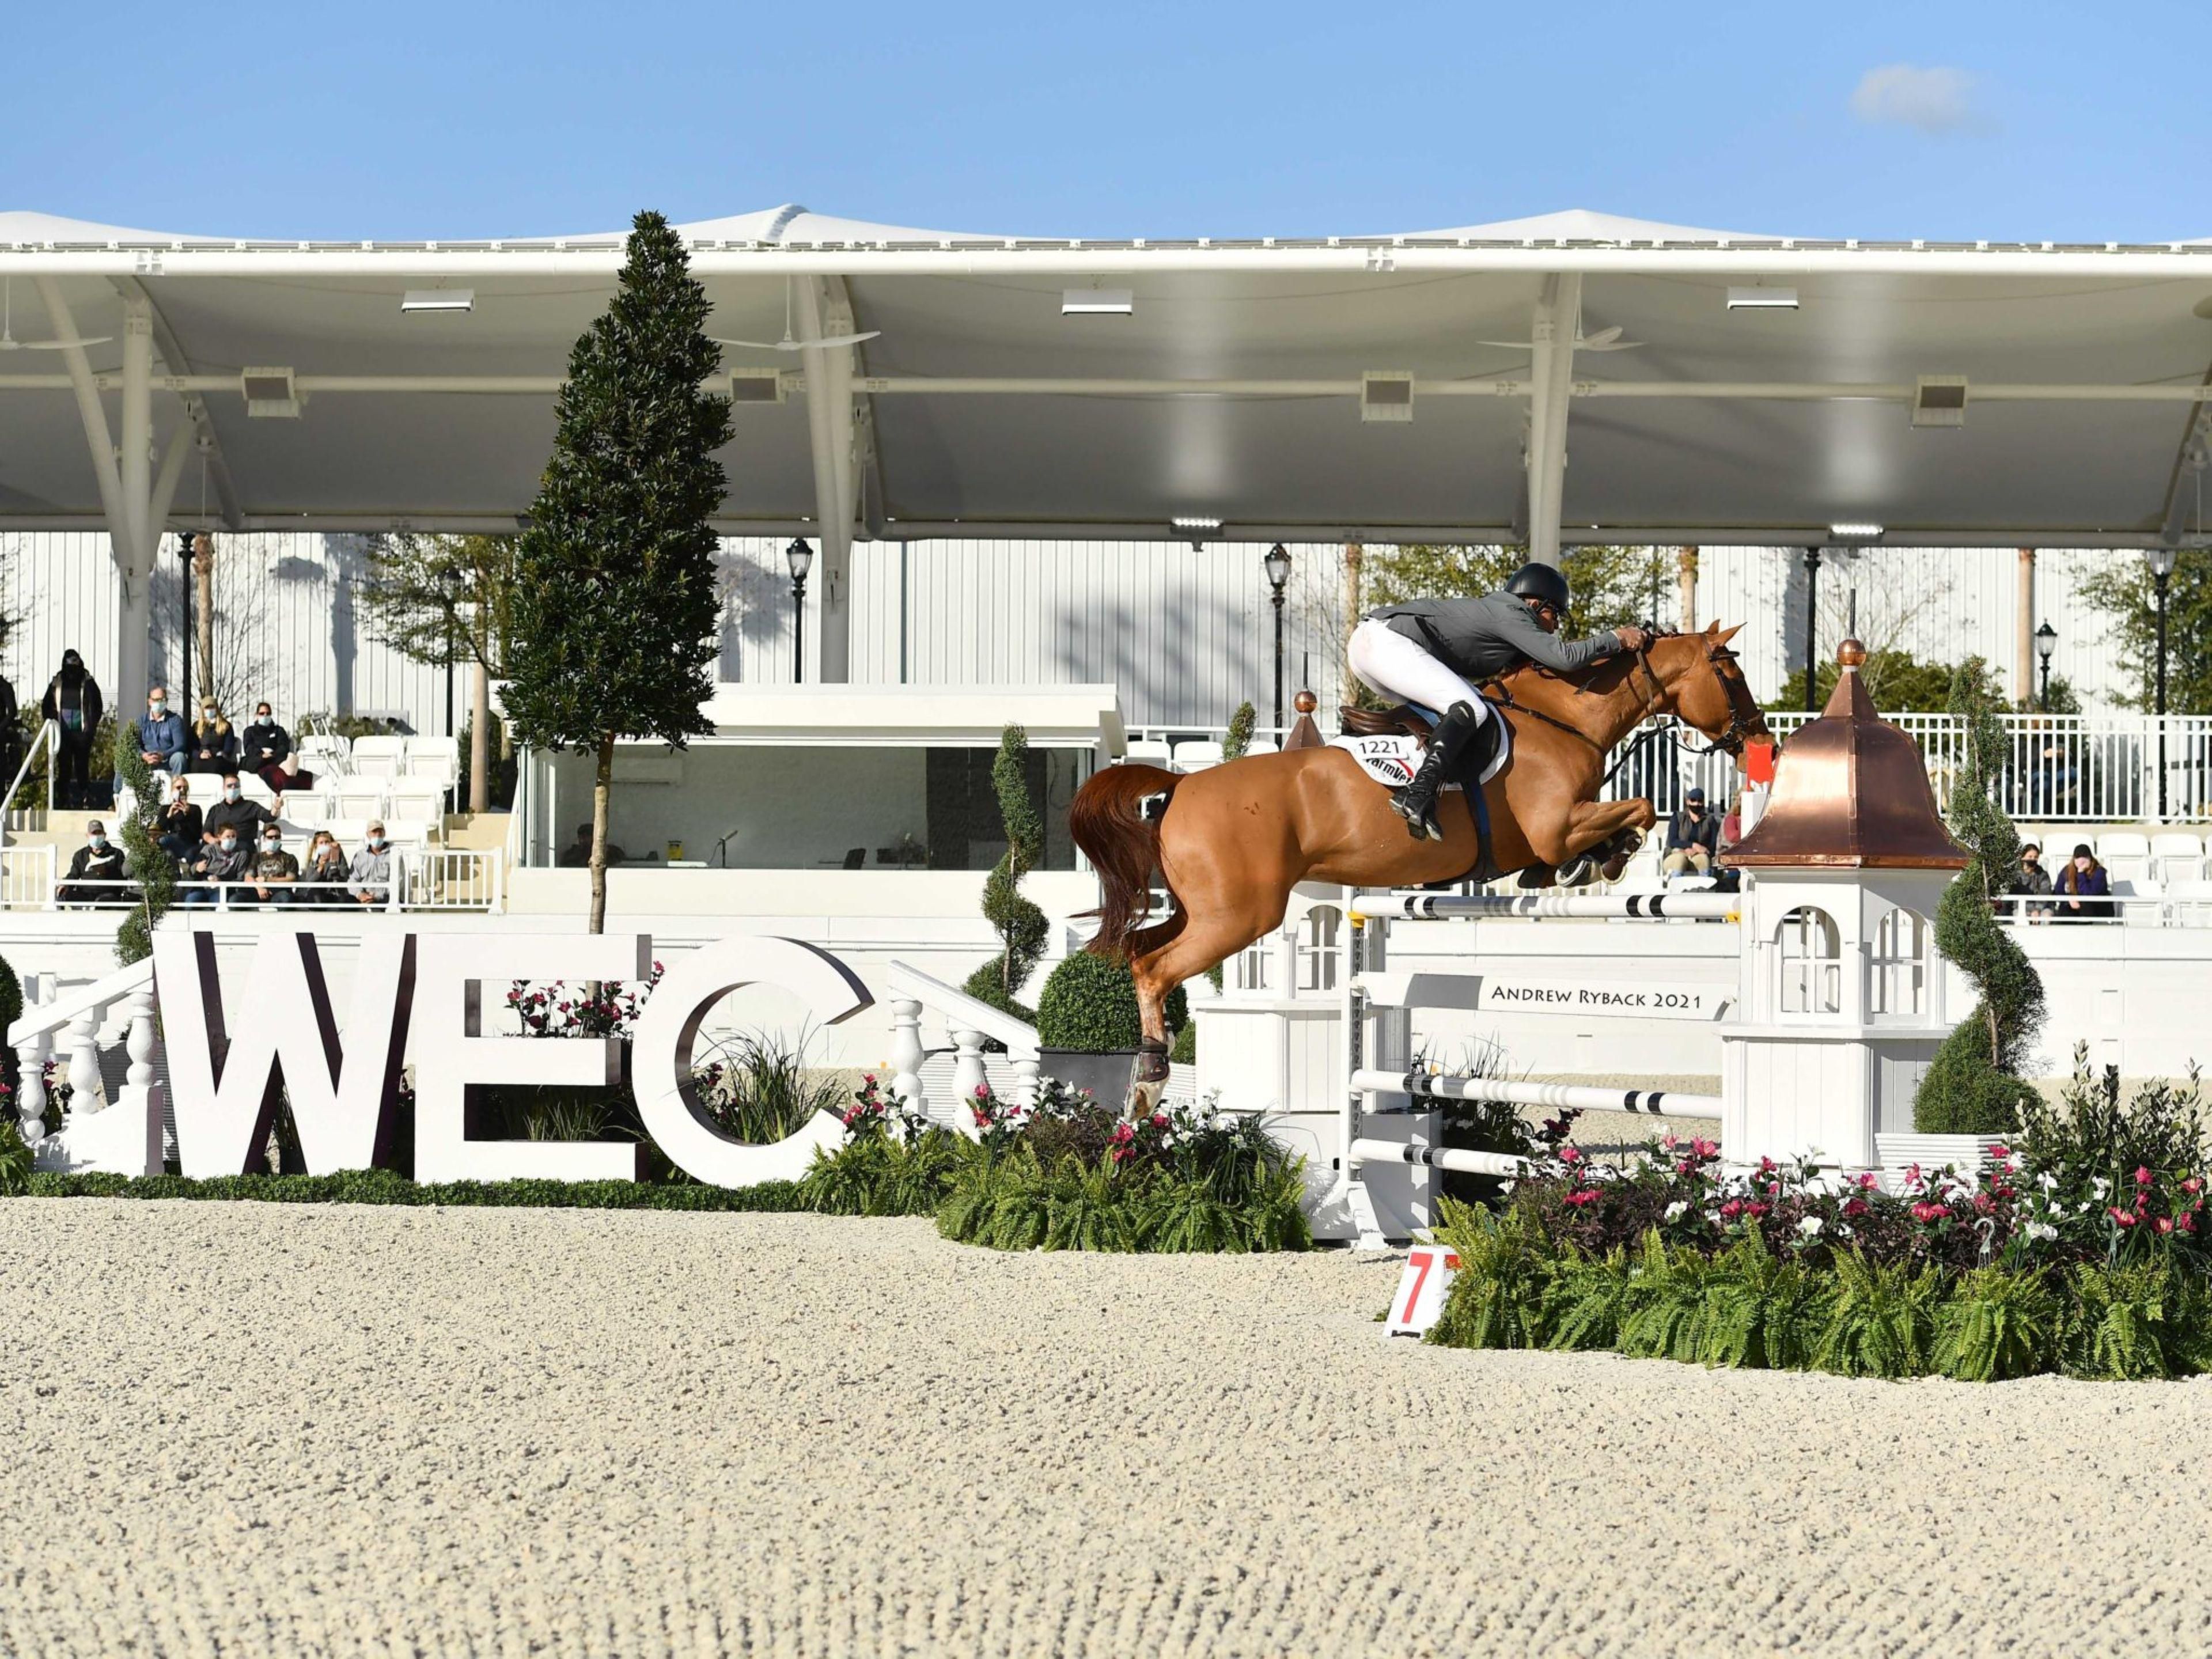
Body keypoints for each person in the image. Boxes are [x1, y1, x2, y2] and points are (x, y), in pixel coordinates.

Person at [1349, 563, 1650, 840]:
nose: (1556, 625)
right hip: (1386, 642)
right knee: (1471, 708)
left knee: (1469, 708)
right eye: (1554, 614)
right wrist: (1617, 638)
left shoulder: (1507, 618)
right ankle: (1417, 795)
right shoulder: (1512, 612)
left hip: (1374, 647)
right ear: (1535, 604)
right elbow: (1565, 658)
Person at [39, 649, 103, 809]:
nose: (72, 668)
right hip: (62, 731)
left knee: (82, 766)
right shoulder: (57, 682)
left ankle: (85, 797)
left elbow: (97, 705)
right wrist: (51, 724)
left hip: (82, 731)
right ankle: (63, 799)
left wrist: (91, 727)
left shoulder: (88, 682)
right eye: (69, 663)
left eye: (75, 663)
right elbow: (46, 706)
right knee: (64, 767)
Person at [127, 684, 188, 790]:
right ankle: (118, 797)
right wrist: (144, 756)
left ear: (166, 701)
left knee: (180, 758)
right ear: (150, 702)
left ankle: (176, 792)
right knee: (124, 758)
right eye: (156, 700)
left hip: (168, 759)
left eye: (162, 700)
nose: (159, 703)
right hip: (147, 760)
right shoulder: (141, 721)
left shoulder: (175, 720)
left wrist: (163, 755)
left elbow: (180, 744)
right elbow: (133, 744)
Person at [57, 820, 128, 907]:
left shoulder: (117, 854)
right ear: (88, 836)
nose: (97, 836)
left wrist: (107, 872)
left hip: (108, 893)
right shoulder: (80, 855)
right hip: (85, 893)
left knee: (105, 900)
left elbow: (122, 876)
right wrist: (65, 885)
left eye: (99, 833)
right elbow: (73, 875)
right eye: (94, 833)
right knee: (66, 895)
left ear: (105, 835)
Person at [182, 824, 251, 907]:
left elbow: (239, 879)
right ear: (220, 837)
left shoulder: (242, 854)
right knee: (191, 901)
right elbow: (192, 870)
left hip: (222, 890)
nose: (231, 839)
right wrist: (197, 868)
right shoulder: (209, 850)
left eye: (233, 836)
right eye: (228, 837)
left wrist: (221, 881)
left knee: (218, 903)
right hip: (203, 887)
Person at [201, 772, 275, 847]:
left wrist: (276, 807)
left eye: (236, 786)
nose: (233, 788)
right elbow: (206, 831)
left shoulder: (251, 806)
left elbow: (269, 817)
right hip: (219, 848)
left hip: (243, 849)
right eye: (229, 786)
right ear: (223, 789)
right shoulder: (215, 809)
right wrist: (211, 840)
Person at [1661, 787, 1721, 877]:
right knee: (1680, 860)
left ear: (1704, 802)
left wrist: (1698, 851)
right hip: (1676, 853)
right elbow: (1673, 841)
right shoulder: (1677, 817)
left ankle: (1704, 889)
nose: (1696, 804)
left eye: (1700, 801)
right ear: (1688, 801)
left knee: (1704, 860)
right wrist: (1693, 846)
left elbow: (1713, 844)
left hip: (1699, 855)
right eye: (1693, 800)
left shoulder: (1709, 820)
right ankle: (1676, 889)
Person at [240, 702, 297, 791]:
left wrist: (272, 754)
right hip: (257, 759)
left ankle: (286, 767)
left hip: (274, 758)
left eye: (268, 714)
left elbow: (283, 746)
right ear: (257, 715)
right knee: (248, 762)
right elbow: (249, 748)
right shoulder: (249, 731)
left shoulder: (279, 730)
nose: (265, 716)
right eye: (262, 714)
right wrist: (262, 755)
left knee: (279, 760)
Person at [2054, 842, 2113, 923]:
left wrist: (2081, 873)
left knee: (2086, 907)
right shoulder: (2067, 871)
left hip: (2095, 908)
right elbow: (2058, 891)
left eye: (2085, 857)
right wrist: (2069, 900)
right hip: (2074, 908)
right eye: (2078, 857)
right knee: (2065, 911)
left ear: (2090, 858)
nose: (2081, 860)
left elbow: (2090, 894)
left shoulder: (2099, 872)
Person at [243, 825, 300, 908]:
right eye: (270, 837)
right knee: (236, 899)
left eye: (277, 837)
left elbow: (291, 879)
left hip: (280, 893)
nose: (274, 840)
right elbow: (248, 877)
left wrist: (267, 880)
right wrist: (259, 888)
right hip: (259, 892)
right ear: (265, 839)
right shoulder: (256, 857)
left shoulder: (289, 858)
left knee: (286, 898)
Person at [156, 777, 204, 862]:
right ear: (172, 791)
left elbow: (197, 834)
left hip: (189, 844)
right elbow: (158, 830)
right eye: (178, 788)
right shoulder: (165, 809)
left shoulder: (195, 809)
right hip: (170, 845)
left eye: (185, 788)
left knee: (191, 854)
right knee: (163, 842)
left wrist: (187, 816)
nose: (182, 790)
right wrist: (169, 816)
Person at [187, 698, 237, 776]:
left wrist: (218, 754)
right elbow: (191, 748)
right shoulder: (196, 726)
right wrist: (200, 754)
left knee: (216, 766)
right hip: (200, 758)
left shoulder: (226, 726)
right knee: (195, 767)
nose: (210, 710)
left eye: (212, 707)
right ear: (203, 710)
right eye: (207, 708)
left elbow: (229, 748)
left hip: (219, 759)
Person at [2008, 841, 2055, 923]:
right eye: (2030, 857)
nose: (2033, 859)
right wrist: (2027, 873)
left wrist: (2037, 910)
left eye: (2036, 857)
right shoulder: (2015, 875)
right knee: (2021, 919)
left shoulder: (2043, 875)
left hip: (2042, 907)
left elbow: (2045, 894)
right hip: (2021, 907)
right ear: (2023, 858)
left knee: (2047, 917)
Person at [347, 821, 393, 905]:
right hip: (363, 898)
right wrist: (360, 895)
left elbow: (398, 882)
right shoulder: (360, 856)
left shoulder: (394, 855)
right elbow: (353, 880)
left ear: (384, 833)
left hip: (387, 898)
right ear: (368, 835)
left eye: (380, 832)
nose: (378, 835)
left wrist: (377, 895)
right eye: (374, 832)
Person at [302, 830, 349, 906]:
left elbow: (344, 877)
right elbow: (309, 882)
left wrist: (335, 860)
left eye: (327, 842)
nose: (324, 845)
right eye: (321, 843)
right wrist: (319, 869)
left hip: (335, 894)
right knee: (315, 896)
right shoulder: (314, 861)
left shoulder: (339, 858)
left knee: (345, 899)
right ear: (316, 846)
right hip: (319, 896)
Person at [556, 821, 626, 868]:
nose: (583, 840)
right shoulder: (574, 854)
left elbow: (619, 860)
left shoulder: (609, 851)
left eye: (587, 837)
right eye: (581, 837)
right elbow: (567, 866)